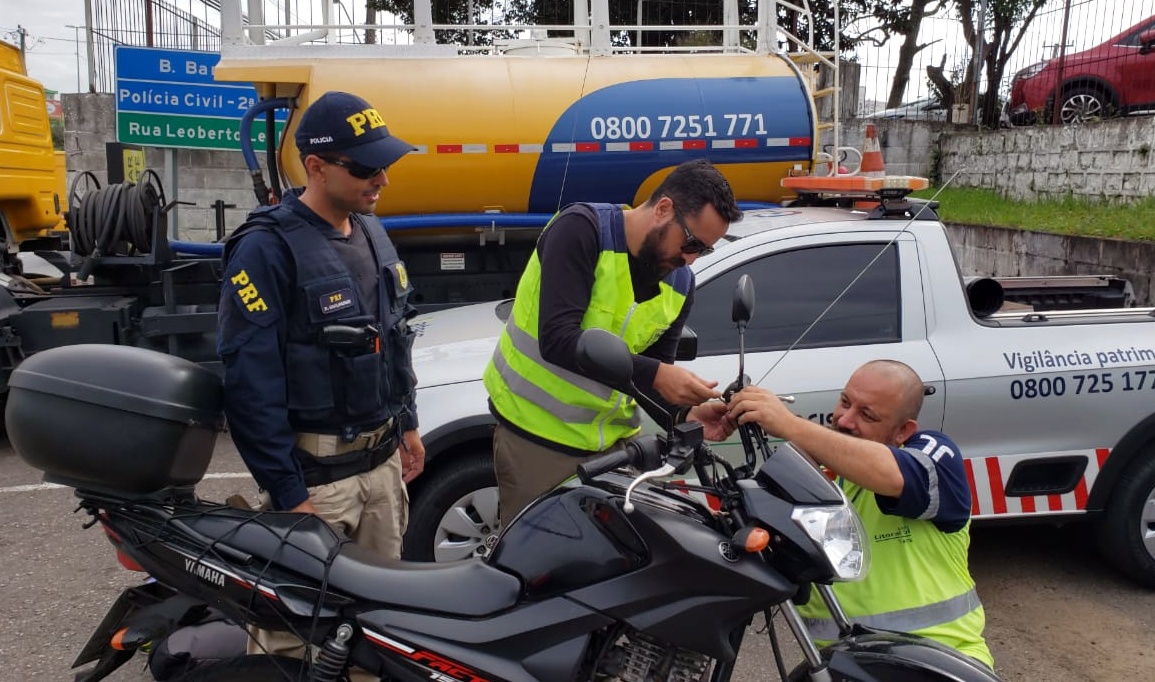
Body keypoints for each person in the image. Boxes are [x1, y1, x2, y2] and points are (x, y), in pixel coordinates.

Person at [217, 91, 424, 662]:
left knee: (379, 626)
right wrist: (289, 493)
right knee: (296, 634)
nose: (381, 178)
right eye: (364, 168)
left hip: (381, 467)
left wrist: (407, 424)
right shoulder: (266, 249)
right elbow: (249, 384)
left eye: (385, 164)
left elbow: (393, 339)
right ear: (316, 167)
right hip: (318, 485)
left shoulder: (371, 230)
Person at [483, 159, 743, 527]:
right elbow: (558, 339)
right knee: (536, 568)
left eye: (703, 251)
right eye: (690, 243)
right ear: (663, 209)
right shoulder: (582, 231)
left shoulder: (679, 283)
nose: (690, 259)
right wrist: (657, 375)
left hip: (617, 452)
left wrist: (684, 415)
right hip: (538, 444)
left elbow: (643, 380)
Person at [727, 360, 993, 668]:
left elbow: (893, 475)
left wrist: (788, 424)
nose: (845, 419)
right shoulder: (821, 482)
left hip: (939, 662)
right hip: (839, 667)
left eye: (867, 415)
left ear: (903, 431)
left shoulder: (933, 456)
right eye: (845, 402)